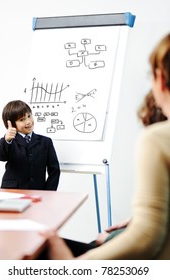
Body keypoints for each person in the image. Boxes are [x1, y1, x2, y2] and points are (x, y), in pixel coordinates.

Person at [41, 33, 170, 259]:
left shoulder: (157, 139)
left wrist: (74, 268)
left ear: (160, 79)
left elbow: (147, 237)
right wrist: (137, 221)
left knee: (38, 249)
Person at [0, 100, 60, 190]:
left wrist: (48, 192)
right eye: (22, 120)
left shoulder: (46, 142)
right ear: (12, 124)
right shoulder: (9, 141)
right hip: (12, 191)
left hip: (38, 191)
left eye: (29, 116)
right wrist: (7, 140)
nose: (28, 122)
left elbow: (54, 170)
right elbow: (2, 157)